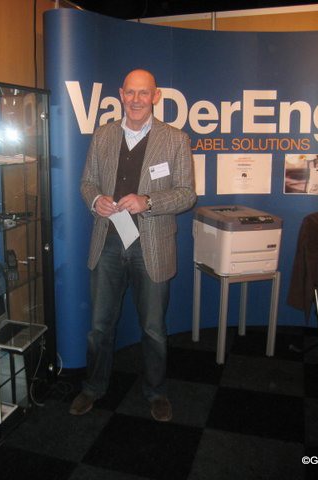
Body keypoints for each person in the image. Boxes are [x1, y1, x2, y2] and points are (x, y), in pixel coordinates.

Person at [71, 69, 195, 422]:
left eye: (144, 93)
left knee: (153, 329)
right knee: (99, 326)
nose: (136, 99)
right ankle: (93, 387)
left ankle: (156, 392)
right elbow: (87, 182)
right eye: (130, 92)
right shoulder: (103, 135)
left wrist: (148, 202)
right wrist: (95, 200)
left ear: (155, 96)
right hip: (107, 244)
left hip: (152, 249)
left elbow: (187, 194)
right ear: (121, 94)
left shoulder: (175, 139)